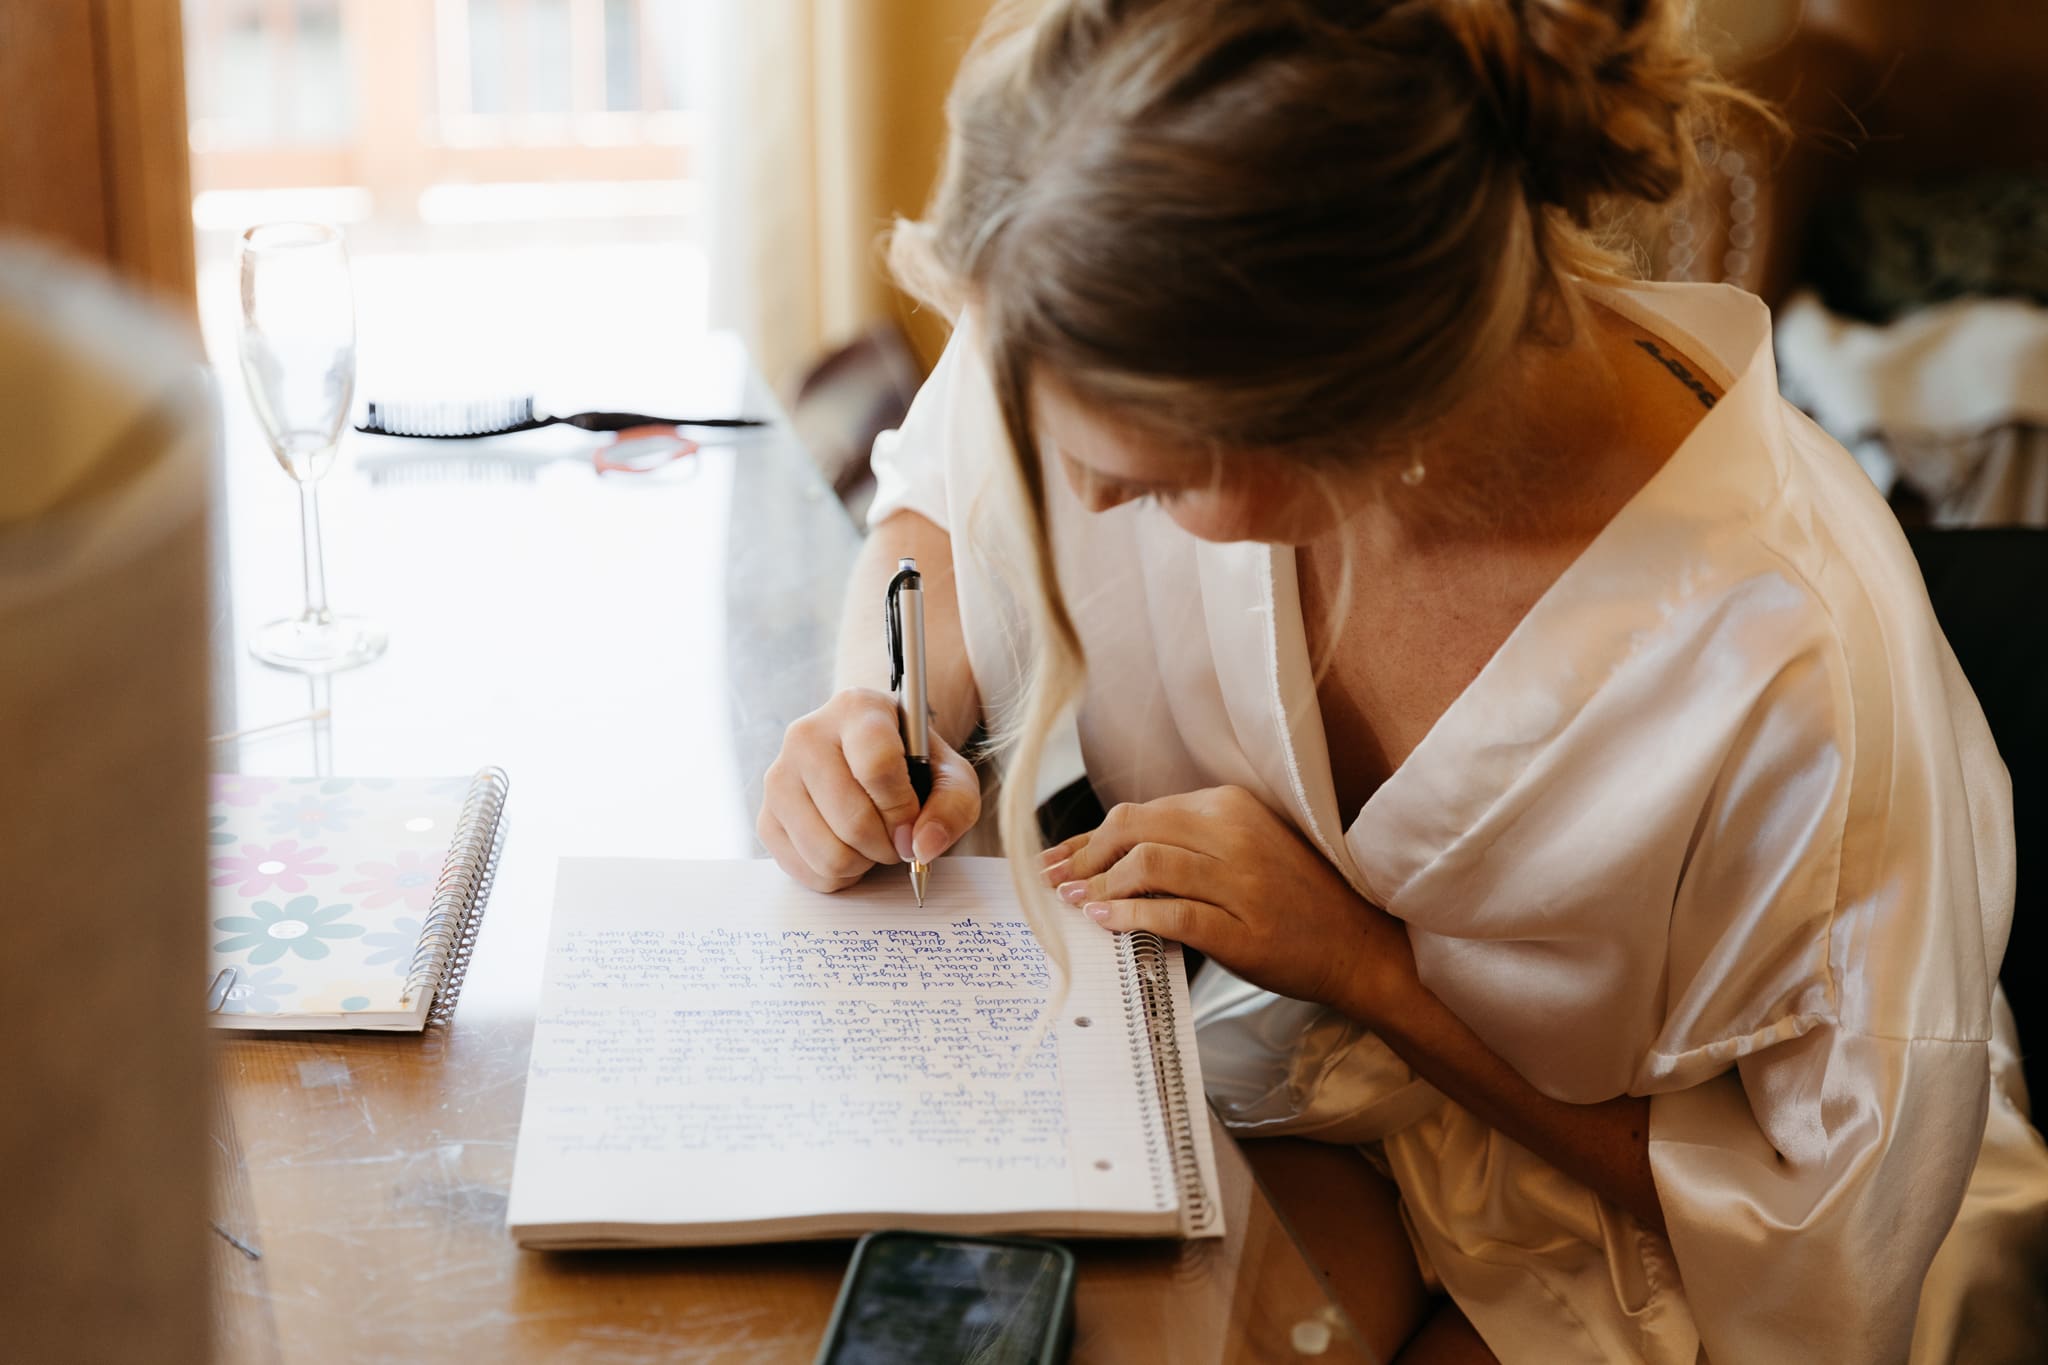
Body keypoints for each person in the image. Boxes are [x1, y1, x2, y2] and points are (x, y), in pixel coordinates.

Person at [758, 0, 2048, 1359]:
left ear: (1356, 410)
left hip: (1676, 1227)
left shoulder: (1784, 658)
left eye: (1149, 480)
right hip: (1312, 1086)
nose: (1083, 500)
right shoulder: (1120, 295)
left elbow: (1821, 1232)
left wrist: (1367, 964)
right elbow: (949, 509)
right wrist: (879, 709)